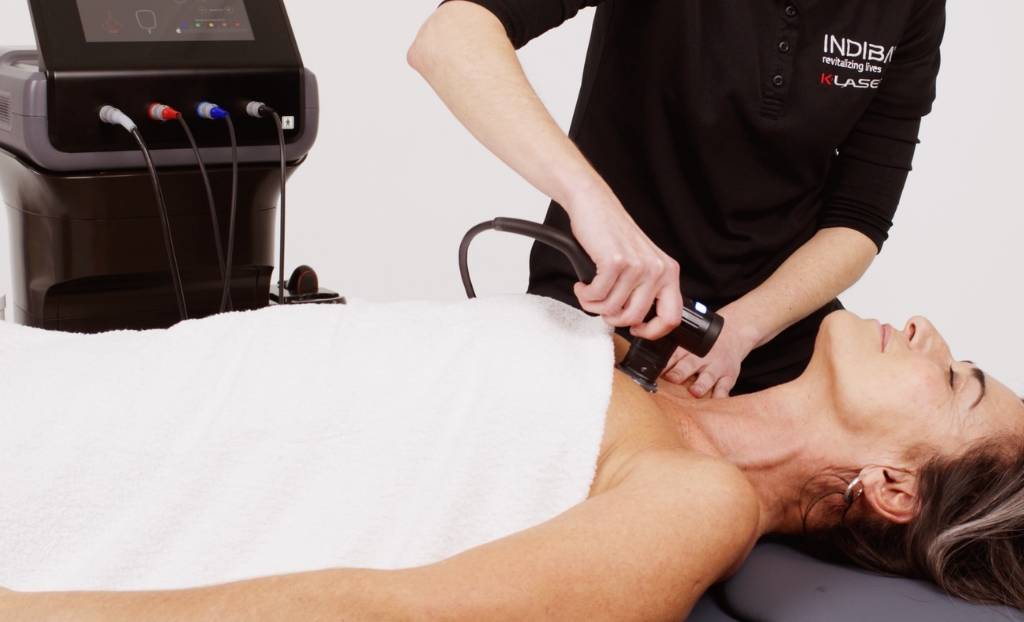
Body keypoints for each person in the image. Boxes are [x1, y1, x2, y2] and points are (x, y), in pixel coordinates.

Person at [2, 303, 1023, 620]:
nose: (931, 332)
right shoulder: (659, 369)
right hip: (53, 383)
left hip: (49, 480)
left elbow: (380, 615)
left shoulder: (697, 502)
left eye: (958, 382)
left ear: (896, 487)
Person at [408, 0, 951, 397]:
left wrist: (742, 330)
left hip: (770, 332)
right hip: (606, 304)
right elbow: (453, 35)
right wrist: (590, 202)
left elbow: (859, 217)